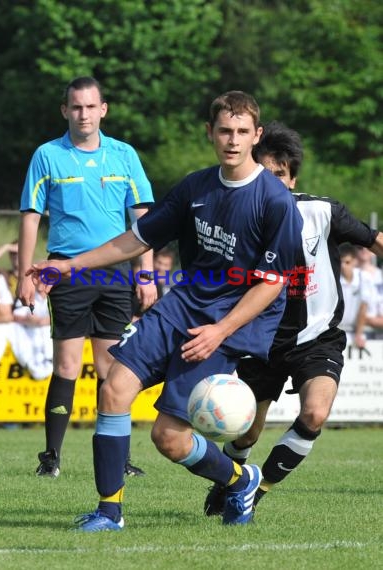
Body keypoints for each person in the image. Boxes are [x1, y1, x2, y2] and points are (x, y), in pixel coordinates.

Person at [29, 90, 303, 531]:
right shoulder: (195, 187)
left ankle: (239, 479)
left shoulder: (274, 200)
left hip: (229, 321)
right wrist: (68, 265)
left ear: (257, 136)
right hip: (182, 306)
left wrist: (220, 331)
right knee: (113, 389)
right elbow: (137, 238)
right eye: (224, 131)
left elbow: (272, 285)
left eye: (241, 132)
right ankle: (108, 512)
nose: (232, 140)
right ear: (210, 133)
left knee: (169, 439)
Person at [203, 120, 383, 518]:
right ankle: (231, 479)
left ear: (293, 178)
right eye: (264, 176)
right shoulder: (240, 220)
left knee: (315, 413)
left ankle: (256, 490)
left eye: (280, 176)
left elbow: (374, 240)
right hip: (260, 340)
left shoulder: (323, 211)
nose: (273, 184)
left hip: (317, 338)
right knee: (246, 430)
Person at [17, 76, 157, 478]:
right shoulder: (47, 155)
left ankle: (118, 459)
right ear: (65, 111)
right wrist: (24, 273)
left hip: (114, 273)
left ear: (103, 110)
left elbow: (142, 220)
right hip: (65, 271)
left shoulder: (124, 155)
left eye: (90, 106)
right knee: (66, 366)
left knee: (112, 369)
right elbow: (30, 216)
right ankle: (51, 458)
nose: (83, 114)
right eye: (75, 107)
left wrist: (144, 276)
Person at [339, 242, 375, 347]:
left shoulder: (364, 278)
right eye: (340, 262)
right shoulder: (334, 279)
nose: (343, 266)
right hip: (336, 333)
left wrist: (359, 334)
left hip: (358, 333)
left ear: (355, 261)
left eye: (347, 262)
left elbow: (364, 307)